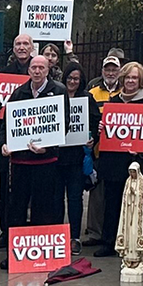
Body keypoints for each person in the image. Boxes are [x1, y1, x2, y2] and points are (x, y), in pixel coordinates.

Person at [0, 55, 68, 269]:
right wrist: (4, 144)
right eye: (33, 67)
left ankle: (41, 253)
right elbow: (7, 124)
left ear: (48, 70)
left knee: (44, 208)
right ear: (28, 70)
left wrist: (48, 146)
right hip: (21, 162)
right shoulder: (19, 93)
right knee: (16, 208)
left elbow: (63, 124)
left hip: (46, 160)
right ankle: (15, 254)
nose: (37, 71)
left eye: (41, 67)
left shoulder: (59, 91)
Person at [96, 62, 143, 258]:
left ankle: (133, 242)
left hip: (136, 160)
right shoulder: (113, 101)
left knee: (134, 202)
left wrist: (140, 148)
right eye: (128, 77)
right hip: (113, 160)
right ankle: (108, 241)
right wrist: (101, 130)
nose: (131, 81)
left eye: (135, 78)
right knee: (112, 200)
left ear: (141, 81)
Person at [0, 33, 35, 250]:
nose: (22, 47)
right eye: (18, 44)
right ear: (13, 49)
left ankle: (27, 232)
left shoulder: (39, 70)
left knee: (29, 188)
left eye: (25, 44)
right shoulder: (5, 72)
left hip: (34, 137)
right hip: (6, 135)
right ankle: (6, 231)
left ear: (32, 48)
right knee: (6, 188)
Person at [82, 54, 125, 248]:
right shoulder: (93, 91)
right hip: (98, 148)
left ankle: (116, 232)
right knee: (96, 193)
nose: (110, 72)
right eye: (107, 69)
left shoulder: (125, 92)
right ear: (102, 71)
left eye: (114, 69)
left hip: (119, 150)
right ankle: (94, 232)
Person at [59, 63, 99, 254]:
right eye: (69, 78)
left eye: (76, 79)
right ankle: (58, 235)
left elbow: (95, 122)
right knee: (56, 198)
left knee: (75, 198)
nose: (72, 82)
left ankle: (74, 237)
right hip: (56, 156)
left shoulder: (86, 98)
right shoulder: (56, 95)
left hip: (76, 157)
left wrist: (93, 139)